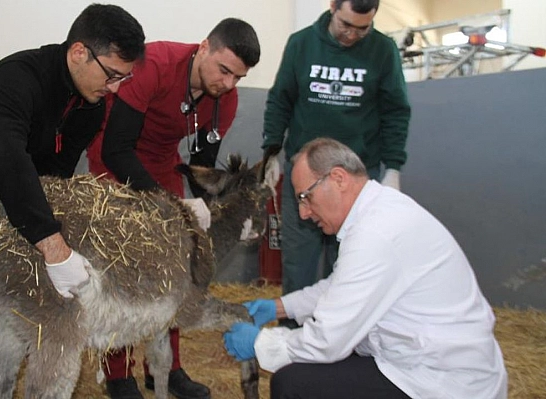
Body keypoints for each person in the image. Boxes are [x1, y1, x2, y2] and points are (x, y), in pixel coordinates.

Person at [0, 4, 145, 398]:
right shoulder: (18, 75)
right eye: (112, 74)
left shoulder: (92, 106)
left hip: (21, 196)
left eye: (124, 78)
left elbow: (55, 177)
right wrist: (53, 246)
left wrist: (58, 236)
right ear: (80, 52)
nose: (114, 88)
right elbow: (6, 159)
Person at [223, 138, 508, 398]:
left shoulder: (375, 233)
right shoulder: (378, 212)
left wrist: (261, 343)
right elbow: (342, 287)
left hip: (440, 381)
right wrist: (279, 307)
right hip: (422, 362)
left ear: (338, 178)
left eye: (305, 197)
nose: (303, 213)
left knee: (293, 385)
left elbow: (327, 341)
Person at [86, 18, 261, 399]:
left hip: (162, 163)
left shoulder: (224, 100)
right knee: (124, 266)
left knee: (181, 266)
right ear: (203, 48)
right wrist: (169, 205)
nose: (228, 84)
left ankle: (166, 368)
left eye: (238, 78)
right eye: (224, 70)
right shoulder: (158, 64)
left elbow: (202, 167)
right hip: (114, 159)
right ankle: (118, 373)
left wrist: (209, 212)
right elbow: (117, 146)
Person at [260, 0, 412, 306]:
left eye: (363, 28)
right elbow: (281, 100)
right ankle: (293, 338)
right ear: (332, 6)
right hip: (304, 177)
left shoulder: (383, 50)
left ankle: (342, 337)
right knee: (298, 264)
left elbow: (395, 111)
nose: (352, 35)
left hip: (354, 180)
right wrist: (271, 152)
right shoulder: (301, 44)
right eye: (346, 24)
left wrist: (393, 167)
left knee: (349, 265)